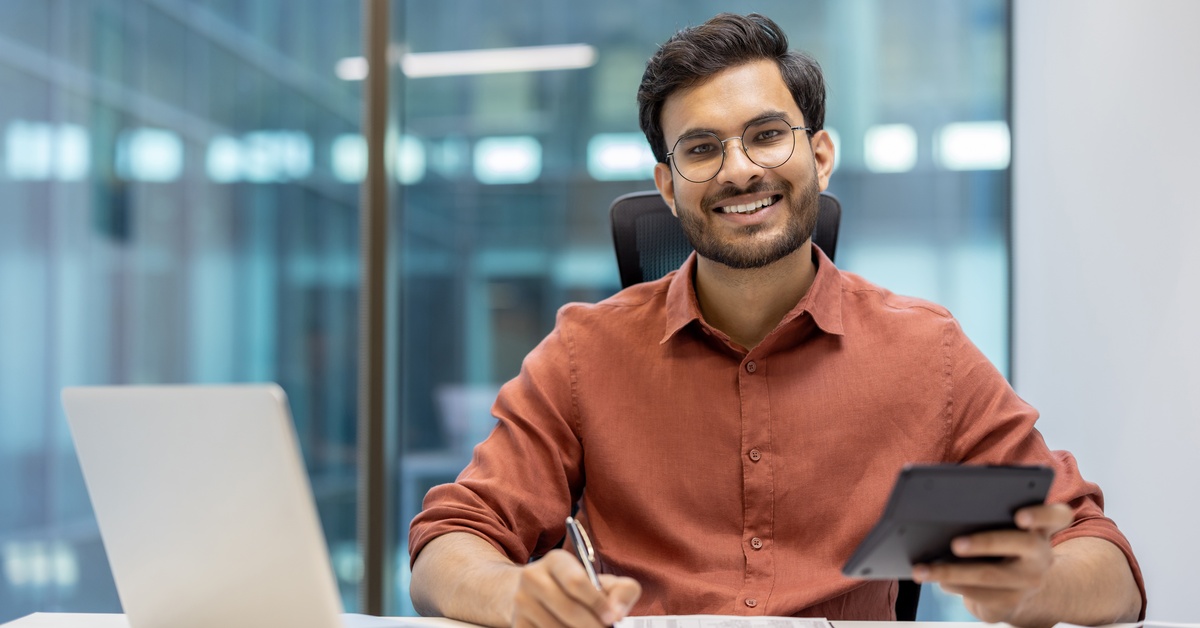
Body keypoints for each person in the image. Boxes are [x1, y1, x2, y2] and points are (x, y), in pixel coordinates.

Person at [408, 12, 1145, 627]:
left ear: (819, 155)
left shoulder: (927, 352)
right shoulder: (585, 352)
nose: (738, 170)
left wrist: (1038, 586)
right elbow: (450, 538)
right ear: (668, 188)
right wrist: (515, 593)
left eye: (766, 135)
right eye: (702, 149)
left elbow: (1108, 561)